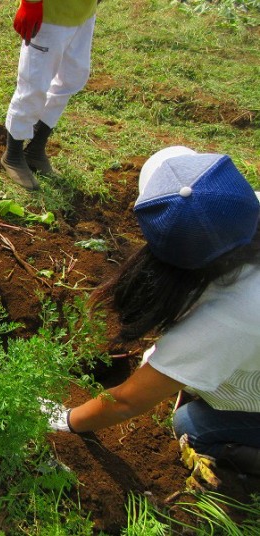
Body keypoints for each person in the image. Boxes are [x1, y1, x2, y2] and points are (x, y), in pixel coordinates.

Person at [46, 146, 260, 477]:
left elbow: (127, 402)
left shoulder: (229, 316)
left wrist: (68, 418)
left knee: (191, 425)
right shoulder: (243, 211)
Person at [2, 0, 98, 189]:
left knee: (73, 77)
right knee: (33, 84)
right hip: (49, 14)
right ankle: (13, 155)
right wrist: (30, 4)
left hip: (84, 12)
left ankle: (36, 148)